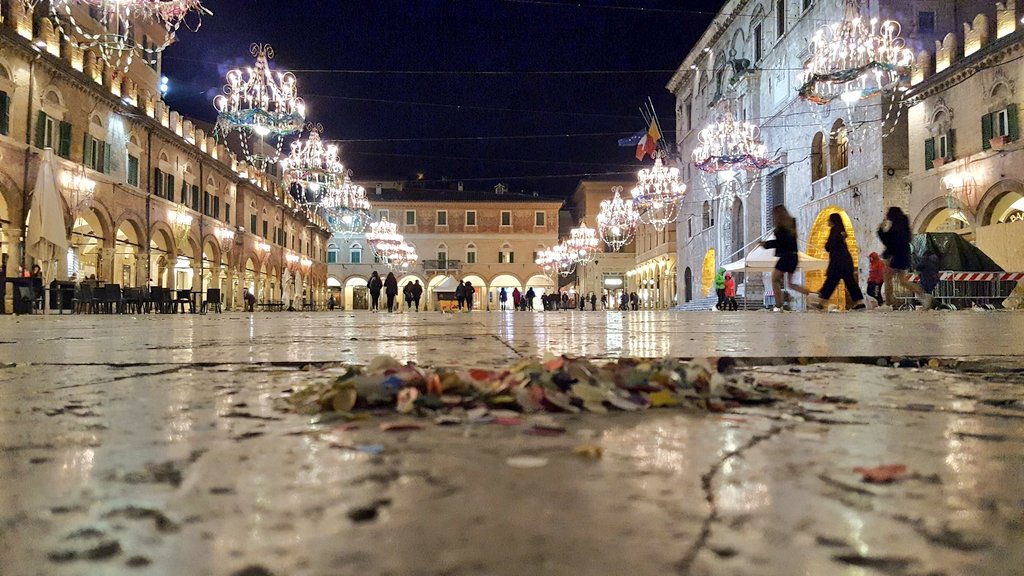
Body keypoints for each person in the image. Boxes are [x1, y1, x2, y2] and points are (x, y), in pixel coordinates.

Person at [808, 213, 866, 310]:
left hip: (838, 262)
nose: (827, 222)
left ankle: (821, 303)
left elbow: (829, 246)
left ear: (832, 221)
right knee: (850, 282)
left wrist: (827, 245)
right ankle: (859, 302)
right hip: (846, 261)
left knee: (831, 282)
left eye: (829, 220)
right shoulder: (841, 230)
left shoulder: (834, 229)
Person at [878, 206, 930, 309]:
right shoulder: (903, 226)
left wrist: (880, 230)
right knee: (902, 281)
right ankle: (923, 294)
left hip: (894, 257)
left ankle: (889, 303)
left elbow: (888, 241)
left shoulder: (895, 228)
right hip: (903, 256)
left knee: (888, 280)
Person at [762, 205, 811, 311]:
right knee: (791, 284)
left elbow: (779, 243)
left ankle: (778, 305)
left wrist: (765, 244)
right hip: (794, 256)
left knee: (774, 279)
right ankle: (811, 296)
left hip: (785, 256)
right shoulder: (792, 224)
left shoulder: (780, 228)